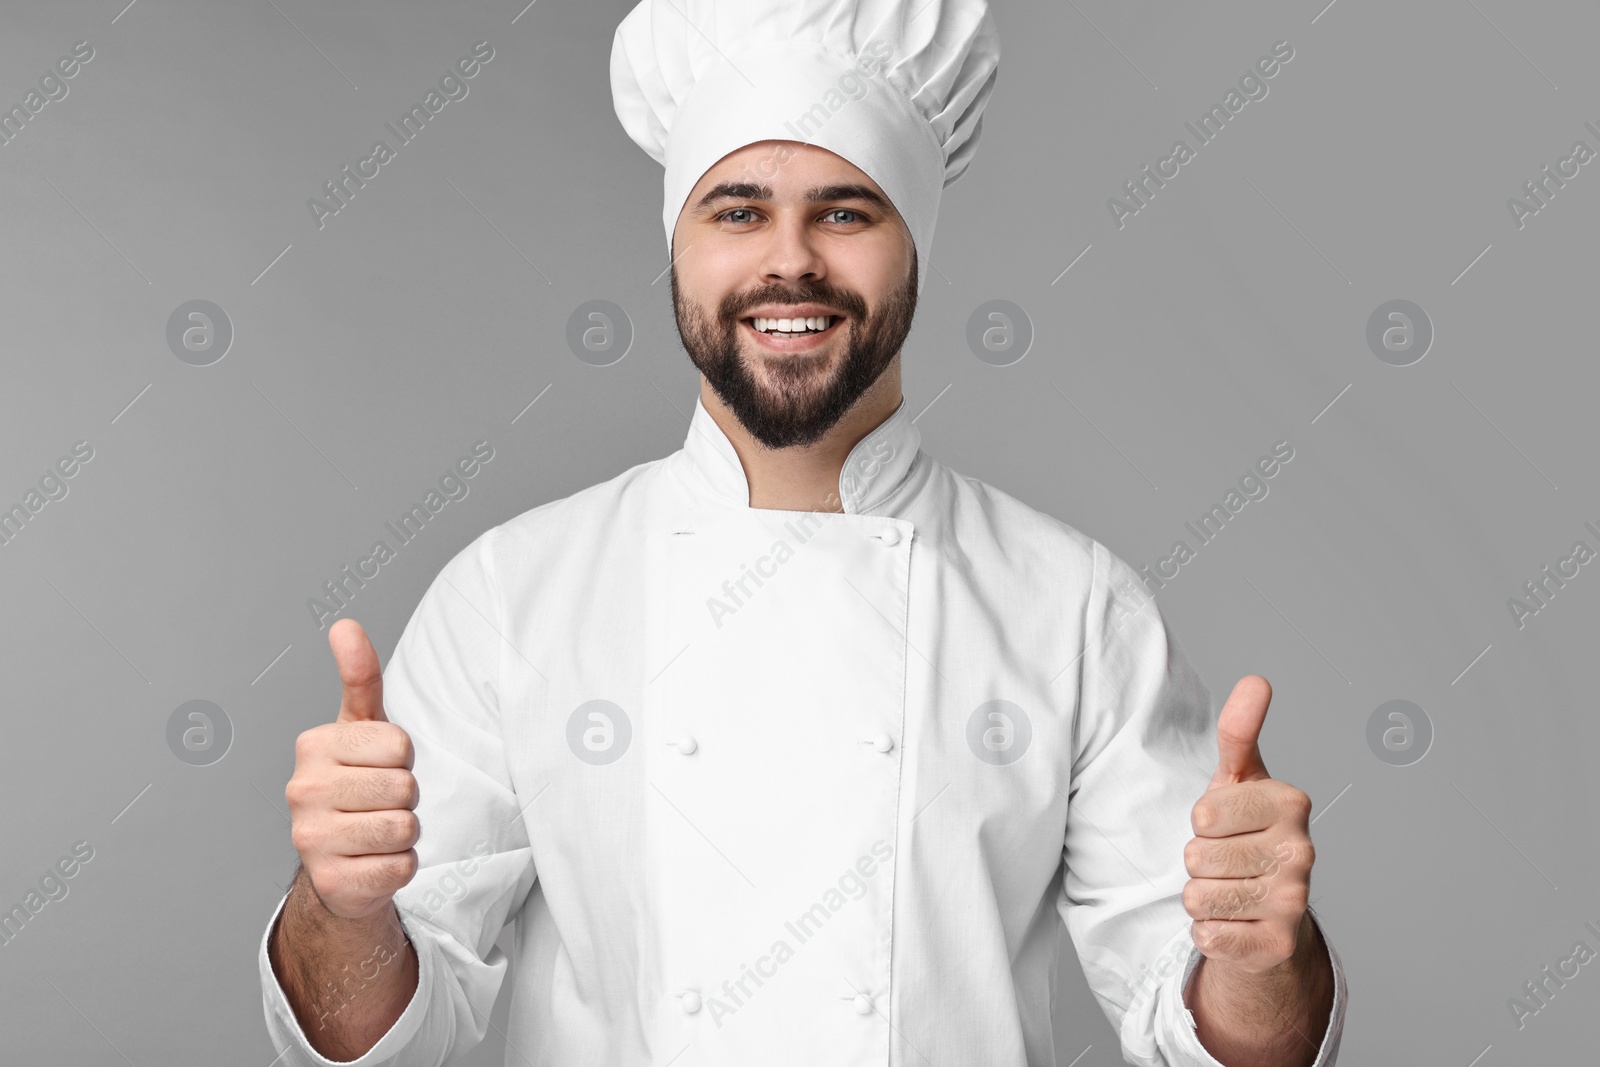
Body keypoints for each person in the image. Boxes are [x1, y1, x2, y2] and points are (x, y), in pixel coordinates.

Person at [259, 1, 1347, 1064]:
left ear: (915, 243)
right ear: (676, 249)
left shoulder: (1072, 606)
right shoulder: (514, 593)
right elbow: (378, 1034)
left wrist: (1259, 957)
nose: (791, 262)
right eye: (736, 211)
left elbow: (1219, 1039)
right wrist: (342, 904)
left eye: (844, 210)